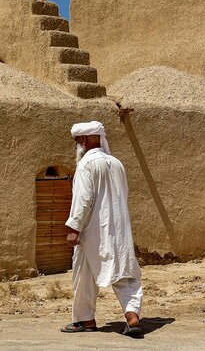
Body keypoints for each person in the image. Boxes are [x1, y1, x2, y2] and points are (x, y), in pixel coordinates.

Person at [60, 121, 143, 337]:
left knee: (83, 275)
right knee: (124, 273)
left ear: (85, 140)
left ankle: (84, 320)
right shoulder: (117, 163)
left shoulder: (86, 164)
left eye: (77, 141)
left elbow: (83, 199)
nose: (77, 146)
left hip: (91, 232)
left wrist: (74, 228)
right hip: (119, 231)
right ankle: (132, 315)